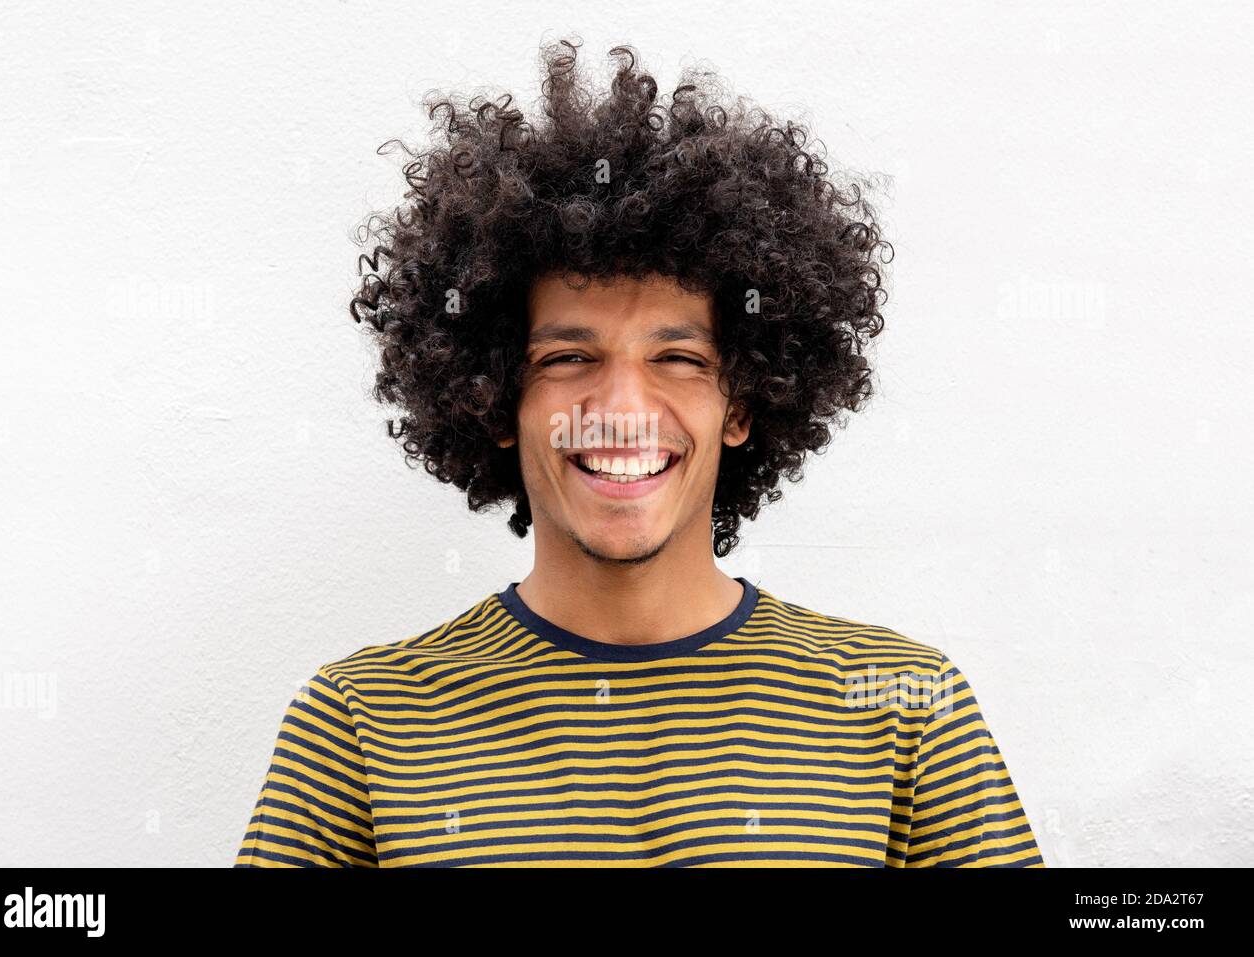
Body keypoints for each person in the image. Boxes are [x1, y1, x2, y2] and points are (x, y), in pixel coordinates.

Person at [235, 39, 1042, 867]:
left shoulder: (909, 707)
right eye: (567, 358)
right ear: (493, 398)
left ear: (745, 401)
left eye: (680, 359)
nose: (622, 411)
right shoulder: (360, 723)